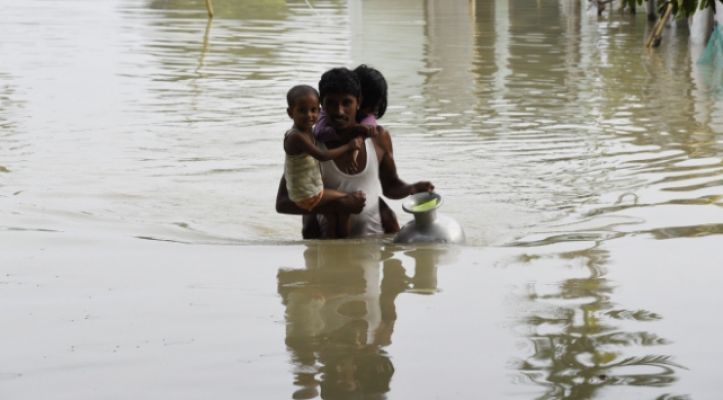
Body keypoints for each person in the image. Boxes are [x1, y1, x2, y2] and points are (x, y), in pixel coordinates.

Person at [276, 67, 434, 238]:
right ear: (321, 106)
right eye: (331, 103)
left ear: (358, 102)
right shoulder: (309, 144)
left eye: (347, 103)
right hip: (327, 254)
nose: (339, 111)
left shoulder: (379, 138)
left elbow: (390, 187)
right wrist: (338, 205)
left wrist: (412, 188)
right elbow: (283, 203)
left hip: (373, 247)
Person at [282, 84, 363, 238]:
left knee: (331, 216)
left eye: (313, 110)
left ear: (320, 111)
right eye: (302, 110)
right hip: (307, 195)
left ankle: (331, 245)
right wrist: (349, 146)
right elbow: (322, 155)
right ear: (290, 112)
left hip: (304, 192)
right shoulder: (296, 137)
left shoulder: (307, 131)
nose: (309, 115)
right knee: (348, 199)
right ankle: (344, 243)